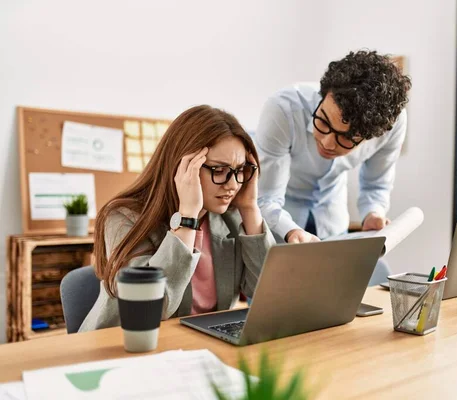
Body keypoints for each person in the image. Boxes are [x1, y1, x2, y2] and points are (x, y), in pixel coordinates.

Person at [80, 106, 275, 332]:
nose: (232, 184)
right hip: (125, 346)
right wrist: (188, 217)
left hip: (197, 348)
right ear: (182, 167)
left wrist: (250, 208)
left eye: (240, 170)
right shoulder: (123, 217)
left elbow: (267, 294)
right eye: (219, 170)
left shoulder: (227, 218)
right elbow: (149, 309)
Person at [255, 50, 411, 250]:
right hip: (279, 217)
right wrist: (291, 231)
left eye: (346, 138)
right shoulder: (283, 110)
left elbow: (376, 185)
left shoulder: (392, 126)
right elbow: (266, 197)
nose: (328, 143)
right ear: (323, 95)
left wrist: (373, 214)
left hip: (332, 217)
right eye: (324, 121)